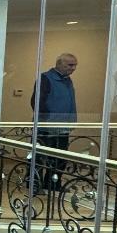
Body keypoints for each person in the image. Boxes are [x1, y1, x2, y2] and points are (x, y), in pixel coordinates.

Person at [30, 53, 78, 191]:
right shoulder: (45, 78)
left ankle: (53, 184)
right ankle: (34, 184)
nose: (73, 68)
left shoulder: (67, 80)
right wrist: (46, 120)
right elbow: (36, 102)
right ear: (59, 64)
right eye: (70, 65)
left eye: (75, 65)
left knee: (59, 158)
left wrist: (71, 121)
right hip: (46, 127)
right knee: (39, 158)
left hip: (62, 127)